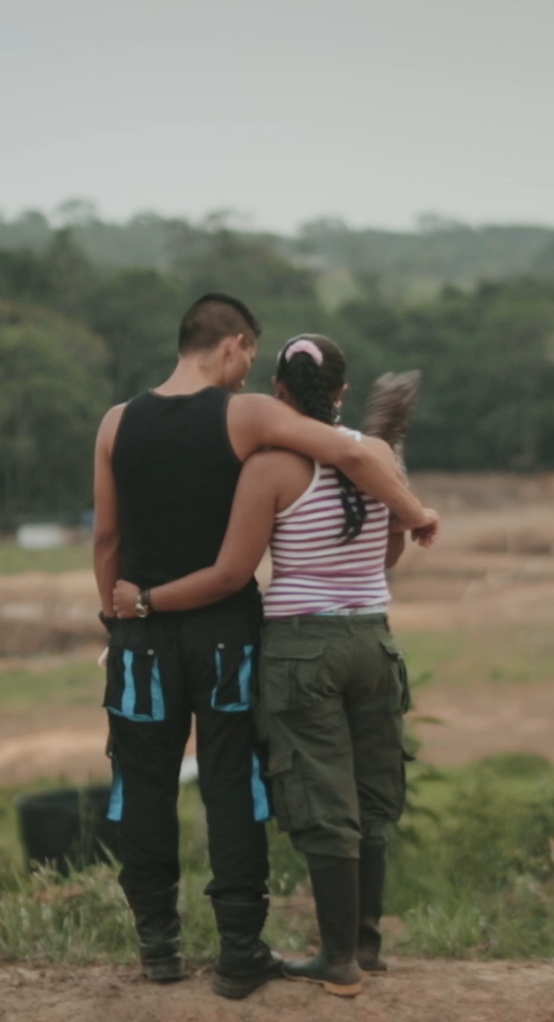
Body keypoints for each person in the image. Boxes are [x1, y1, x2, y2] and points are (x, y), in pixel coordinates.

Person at [92, 295, 438, 999]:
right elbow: (342, 449)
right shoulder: (241, 415)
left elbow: (107, 537)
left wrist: (119, 615)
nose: (248, 370)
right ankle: (241, 953)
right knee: (233, 788)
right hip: (226, 637)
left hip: (142, 637)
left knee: (143, 788)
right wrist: (413, 508)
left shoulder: (116, 422)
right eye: (248, 355)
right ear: (233, 344)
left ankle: (157, 947)